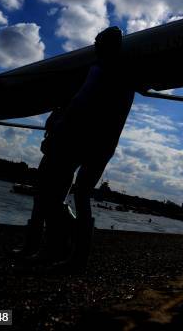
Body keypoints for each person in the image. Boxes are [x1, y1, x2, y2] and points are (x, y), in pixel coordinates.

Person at [21, 26, 135, 272]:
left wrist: (58, 128)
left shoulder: (101, 69)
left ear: (105, 45)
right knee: (80, 194)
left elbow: (79, 104)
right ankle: (75, 257)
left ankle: (57, 250)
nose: (94, 45)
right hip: (104, 144)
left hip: (82, 140)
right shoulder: (128, 75)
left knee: (55, 195)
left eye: (98, 41)